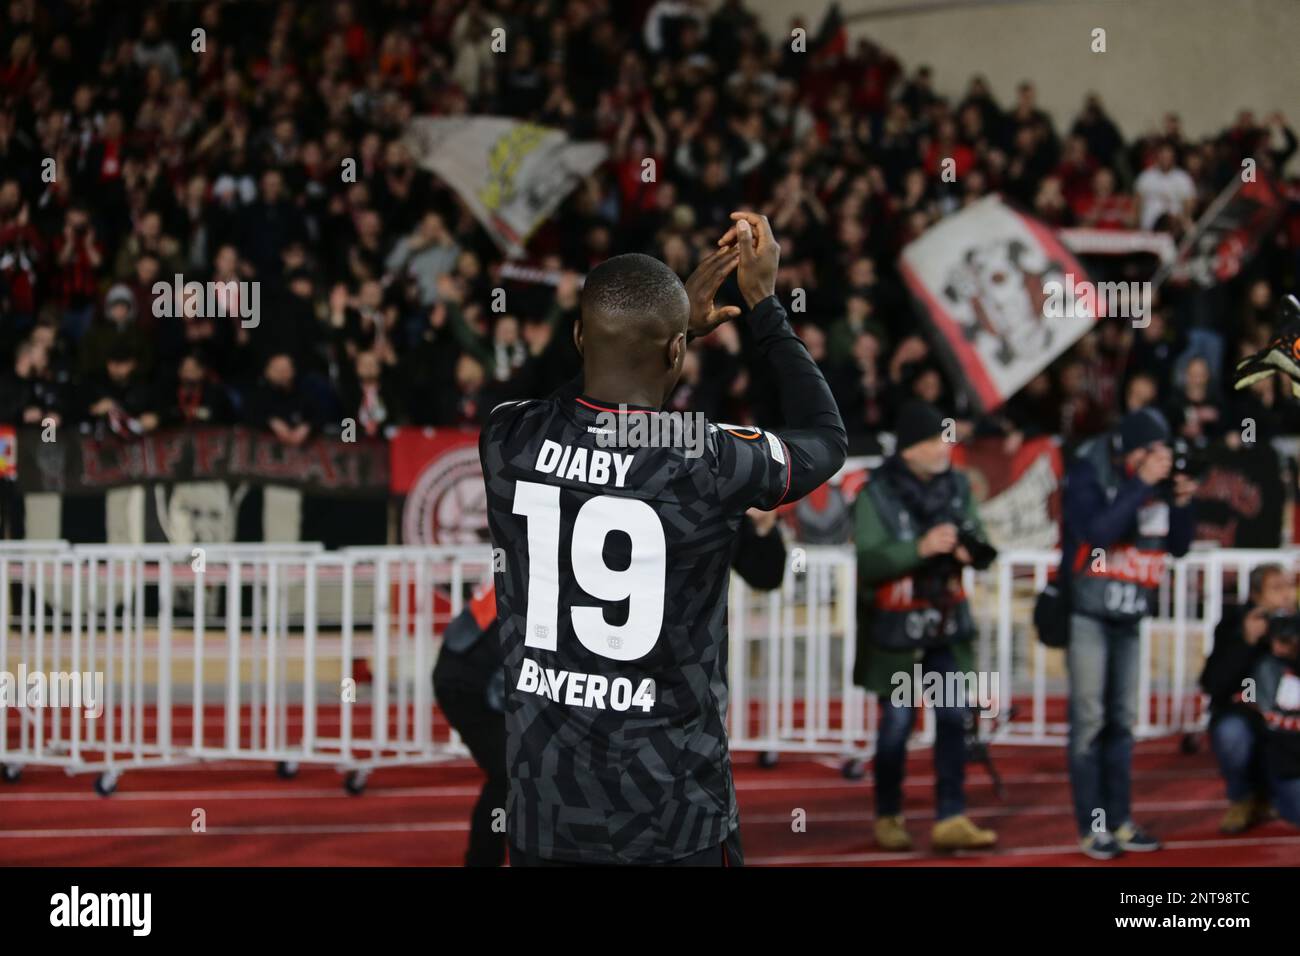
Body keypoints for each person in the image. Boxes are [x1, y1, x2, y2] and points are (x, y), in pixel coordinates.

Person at [479, 212, 846, 866]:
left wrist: (650, 331)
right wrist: (763, 307)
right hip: (675, 811)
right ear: (678, 352)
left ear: (578, 337)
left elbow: (568, 400)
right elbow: (825, 438)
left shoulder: (508, 438)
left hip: (546, 813)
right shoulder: (704, 456)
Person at [434, 509, 788, 867]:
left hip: (533, 664)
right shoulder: (610, 491)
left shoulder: (702, 487)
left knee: (537, 778)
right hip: (492, 668)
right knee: (525, 776)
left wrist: (763, 525)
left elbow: (765, 571)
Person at [853, 400, 998, 852]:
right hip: (897, 635)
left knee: (954, 717)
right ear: (911, 449)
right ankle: (889, 814)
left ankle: (951, 815)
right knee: (897, 725)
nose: (945, 448)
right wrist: (922, 547)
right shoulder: (875, 492)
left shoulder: (958, 487)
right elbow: (870, 560)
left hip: (946, 629)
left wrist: (969, 550)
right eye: (937, 439)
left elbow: (985, 545)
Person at [1061, 407, 1197, 859]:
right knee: (1090, 723)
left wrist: (1181, 503)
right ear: (1135, 450)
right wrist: (1140, 486)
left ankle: (1119, 821)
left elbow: (1177, 546)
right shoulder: (1088, 470)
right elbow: (1097, 532)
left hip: (1130, 612)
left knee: (1121, 722)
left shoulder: (1154, 481)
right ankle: (1093, 826)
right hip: (1089, 611)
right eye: (1152, 451)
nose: (1160, 459)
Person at [1200, 563, 1292, 833]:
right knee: (1232, 733)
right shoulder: (1234, 624)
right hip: (1244, 716)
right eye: (1276, 589)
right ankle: (1242, 798)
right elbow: (1212, 683)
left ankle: (1273, 796)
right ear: (1256, 595)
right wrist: (1247, 642)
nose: (1286, 595)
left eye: (1289, 587)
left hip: (1289, 724)